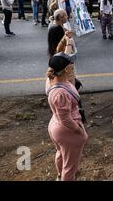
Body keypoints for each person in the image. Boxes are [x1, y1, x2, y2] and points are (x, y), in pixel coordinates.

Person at [46, 52, 88, 181]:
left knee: (61, 154)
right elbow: (65, 119)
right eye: (71, 64)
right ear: (66, 69)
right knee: (70, 168)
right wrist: (79, 131)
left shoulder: (51, 80)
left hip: (55, 125)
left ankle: (59, 176)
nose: (73, 65)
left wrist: (67, 40)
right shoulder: (61, 93)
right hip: (67, 130)